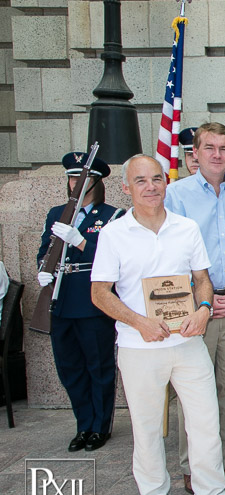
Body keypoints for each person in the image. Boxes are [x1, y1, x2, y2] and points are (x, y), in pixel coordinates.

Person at [91, 155, 225, 495]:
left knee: (204, 420)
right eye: (141, 180)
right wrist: (139, 322)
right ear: (126, 187)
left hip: (187, 342)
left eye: (157, 179)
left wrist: (202, 308)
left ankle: (211, 493)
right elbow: (100, 292)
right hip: (139, 346)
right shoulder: (114, 234)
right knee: (147, 428)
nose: (151, 186)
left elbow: (202, 278)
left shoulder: (185, 228)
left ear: (167, 182)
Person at [166, 122, 225, 493]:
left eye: (223, 148)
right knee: (194, 389)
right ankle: (194, 464)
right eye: (209, 148)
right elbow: (169, 257)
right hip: (195, 308)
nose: (217, 154)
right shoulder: (176, 195)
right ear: (195, 153)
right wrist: (202, 301)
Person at [36, 152, 122, 452]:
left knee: (98, 366)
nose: (76, 183)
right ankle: (83, 423)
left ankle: (100, 426)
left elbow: (115, 260)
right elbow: (45, 250)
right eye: (72, 177)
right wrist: (42, 272)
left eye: (82, 178)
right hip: (60, 300)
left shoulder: (112, 216)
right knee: (69, 367)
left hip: (91, 303)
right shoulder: (56, 213)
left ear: (96, 183)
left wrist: (81, 241)